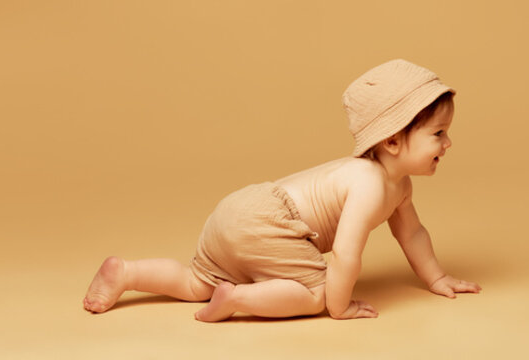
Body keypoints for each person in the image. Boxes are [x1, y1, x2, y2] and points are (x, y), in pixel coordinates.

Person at [82, 59, 481, 321]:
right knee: (317, 294)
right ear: (393, 141)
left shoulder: (397, 186)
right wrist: (337, 306)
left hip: (237, 209)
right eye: (438, 134)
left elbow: (411, 234)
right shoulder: (371, 184)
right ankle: (237, 299)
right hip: (270, 220)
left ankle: (128, 273)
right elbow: (344, 254)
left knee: (195, 283)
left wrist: (436, 277)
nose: (447, 144)